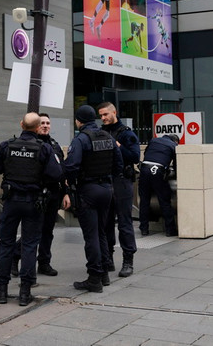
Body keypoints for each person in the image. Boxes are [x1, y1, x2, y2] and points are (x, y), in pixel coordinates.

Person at [0, 112, 62, 306]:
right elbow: (56, 174)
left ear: (21, 124)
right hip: (33, 203)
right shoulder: (44, 148)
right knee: (29, 246)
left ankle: (1, 291)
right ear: (38, 128)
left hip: (11, 201)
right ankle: (24, 293)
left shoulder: (7, 146)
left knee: (5, 244)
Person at [63, 105, 122, 292]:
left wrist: (70, 184)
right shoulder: (108, 137)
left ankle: (94, 278)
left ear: (78, 121)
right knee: (102, 232)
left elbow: (71, 166)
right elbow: (118, 164)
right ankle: (104, 273)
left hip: (88, 190)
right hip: (107, 189)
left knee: (91, 236)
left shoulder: (81, 139)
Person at [11, 113, 65, 280]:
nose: (45, 125)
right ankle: (15, 256)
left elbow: (62, 172)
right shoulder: (29, 144)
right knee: (34, 231)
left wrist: (66, 194)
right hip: (35, 194)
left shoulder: (54, 145)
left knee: (47, 231)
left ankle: (44, 262)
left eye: (48, 123)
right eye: (42, 123)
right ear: (35, 126)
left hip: (52, 194)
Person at [97, 101, 140, 278]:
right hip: (105, 181)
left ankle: (128, 261)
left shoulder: (126, 134)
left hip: (122, 181)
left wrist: (117, 145)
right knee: (106, 222)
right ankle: (108, 259)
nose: (103, 118)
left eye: (106, 114)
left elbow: (135, 156)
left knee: (124, 222)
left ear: (114, 112)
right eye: (100, 115)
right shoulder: (100, 133)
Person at [138, 134, 179, 237]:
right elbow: (176, 164)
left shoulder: (154, 140)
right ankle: (170, 230)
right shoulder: (173, 145)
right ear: (175, 141)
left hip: (144, 169)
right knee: (164, 201)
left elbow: (147, 153)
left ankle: (144, 228)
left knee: (144, 200)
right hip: (158, 171)